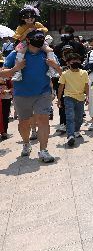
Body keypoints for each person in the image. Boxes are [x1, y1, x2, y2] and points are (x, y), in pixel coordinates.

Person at [1, 30, 61, 162]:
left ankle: (43, 150)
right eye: (36, 38)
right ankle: (26, 143)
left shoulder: (47, 53)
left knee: (43, 119)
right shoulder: (16, 54)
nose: (39, 40)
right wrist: (15, 69)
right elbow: (3, 73)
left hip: (43, 93)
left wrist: (54, 65)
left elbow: (62, 72)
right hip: (22, 94)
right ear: (27, 40)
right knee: (24, 122)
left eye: (41, 38)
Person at [11, 5, 58, 81]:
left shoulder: (37, 24)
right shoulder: (21, 27)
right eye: (27, 17)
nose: (29, 18)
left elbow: (45, 29)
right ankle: (18, 72)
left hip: (38, 42)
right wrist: (26, 32)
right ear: (22, 18)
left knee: (50, 50)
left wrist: (38, 29)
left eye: (31, 16)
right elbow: (18, 38)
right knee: (20, 52)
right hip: (26, 42)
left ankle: (52, 70)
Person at [57, 53, 89, 147]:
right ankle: (70, 136)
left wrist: (87, 96)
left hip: (80, 98)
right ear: (68, 63)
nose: (75, 62)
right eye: (72, 60)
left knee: (79, 117)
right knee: (70, 117)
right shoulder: (65, 74)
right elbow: (60, 87)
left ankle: (76, 130)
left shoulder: (84, 73)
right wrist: (59, 99)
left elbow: (86, 86)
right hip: (68, 97)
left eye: (77, 60)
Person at [0, 58, 11, 139]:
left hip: (5, 98)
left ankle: (4, 132)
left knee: (5, 115)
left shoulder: (8, 75)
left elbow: (13, 88)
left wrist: (7, 91)